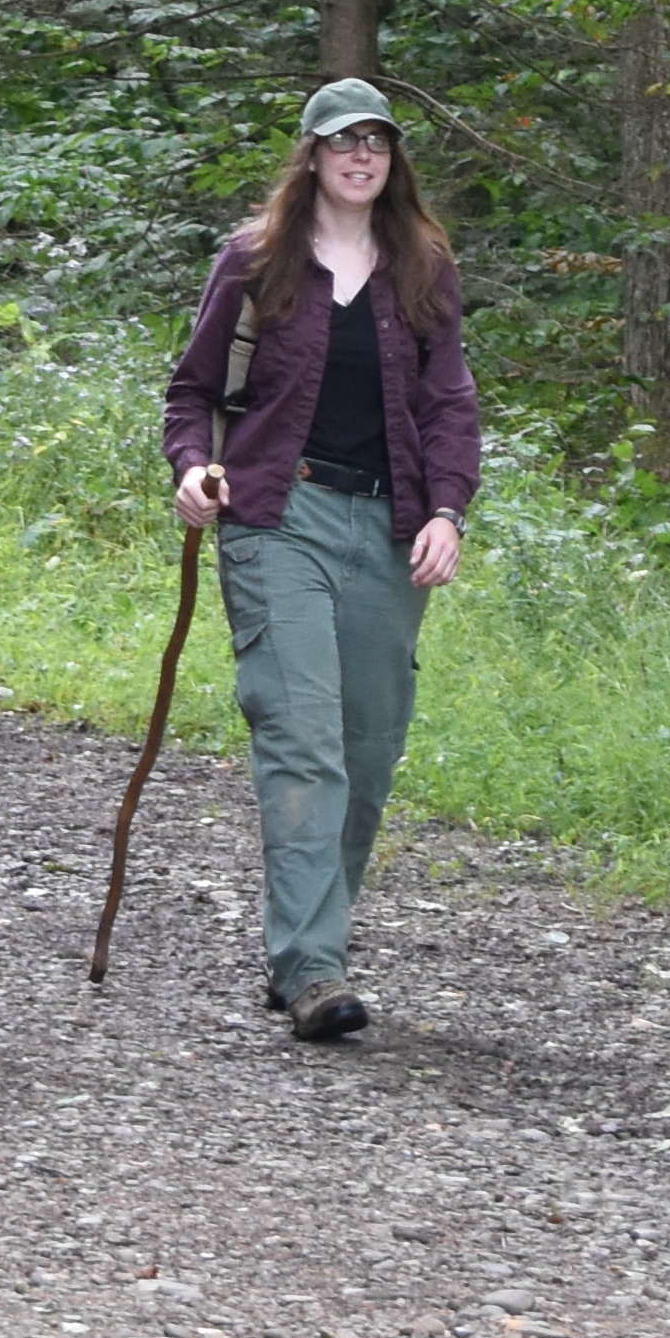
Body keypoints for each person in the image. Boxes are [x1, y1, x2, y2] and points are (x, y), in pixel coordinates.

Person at [156, 79, 478, 1042]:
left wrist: (450, 512)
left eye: (377, 142)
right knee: (302, 739)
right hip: (275, 517)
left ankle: (307, 940)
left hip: (388, 531)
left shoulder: (422, 264)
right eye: (343, 142)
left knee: (369, 749)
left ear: (393, 160)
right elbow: (193, 390)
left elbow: (450, 404)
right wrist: (191, 467)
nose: (361, 156)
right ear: (312, 156)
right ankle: (311, 969)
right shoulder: (256, 261)